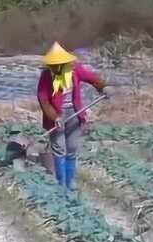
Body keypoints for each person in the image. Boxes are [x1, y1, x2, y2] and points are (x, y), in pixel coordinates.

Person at [36, 42, 107, 191]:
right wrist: (54, 117)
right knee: (59, 148)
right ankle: (61, 183)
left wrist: (103, 88)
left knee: (72, 147)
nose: (58, 68)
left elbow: (92, 78)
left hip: (74, 113)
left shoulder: (75, 70)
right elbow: (43, 100)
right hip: (56, 115)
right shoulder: (46, 77)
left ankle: (70, 181)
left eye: (61, 64)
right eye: (55, 66)